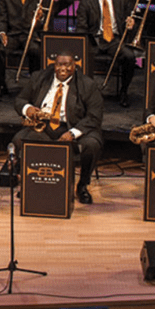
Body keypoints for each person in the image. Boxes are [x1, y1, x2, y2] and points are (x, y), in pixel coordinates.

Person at [12, 52, 104, 204]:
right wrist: (27, 109)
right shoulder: (39, 77)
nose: (63, 68)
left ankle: (82, 185)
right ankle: (31, 184)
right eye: (59, 64)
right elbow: (20, 99)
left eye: (67, 65)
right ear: (54, 66)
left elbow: (95, 115)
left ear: (74, 67)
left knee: (92, 144)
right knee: (20, 139)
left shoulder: (87, 84)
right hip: (44, 126)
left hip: (74, 127)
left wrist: (73, 133)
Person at [75, 0, 137, 107]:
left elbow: (130, 25)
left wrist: (131, 25)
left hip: (114, 40)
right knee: (82, 57)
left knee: (129, 56)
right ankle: (85, 94)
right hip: (94, 40)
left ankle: (123, 91)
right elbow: (81, 27)